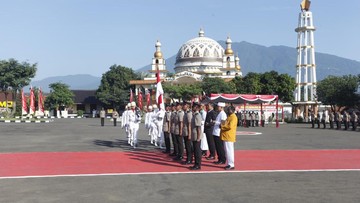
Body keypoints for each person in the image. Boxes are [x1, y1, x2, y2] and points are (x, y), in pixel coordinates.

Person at [221, 105, 238, 170]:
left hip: (229, 136)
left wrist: (222, 126)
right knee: (227, 151)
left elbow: (229, 126)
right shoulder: (229, 116)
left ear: (232, 110)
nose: (228, 111)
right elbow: (225, 123)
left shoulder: (233, 117)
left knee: (229, 151)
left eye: (229, 110)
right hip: (226, 135)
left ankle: (231, 164)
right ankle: (229, 163)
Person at [189, 103, 203, 170]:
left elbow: (198, 128)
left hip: (196, 135)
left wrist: (198, 137)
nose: (192, 108)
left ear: (196, 107)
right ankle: (196, 164)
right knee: (195, 150)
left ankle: (198, 165)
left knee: (197, 151)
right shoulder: (194, 115)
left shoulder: (197, 115)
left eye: (193, 107)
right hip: (194, 135)